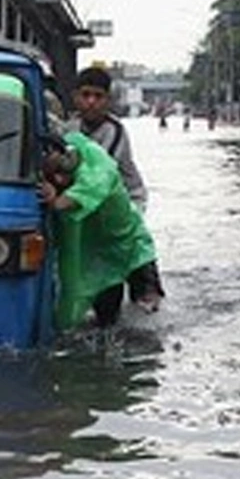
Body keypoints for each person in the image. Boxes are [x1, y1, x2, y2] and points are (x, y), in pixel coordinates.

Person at [40, 132, 161, 329]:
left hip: (131, 245)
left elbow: (88, 189)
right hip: (98, 257)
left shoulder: (96, 164)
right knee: (106, 324)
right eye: (52, 176)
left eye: (59, 171)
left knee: (147, 312)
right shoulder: (71, 141)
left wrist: (54, 201)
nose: (59, 179)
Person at [68, 65, 163, 310]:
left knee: (130, 242)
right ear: (75, 97)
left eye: (98, 97)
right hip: (90, 202)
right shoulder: (68, 129)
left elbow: (100, 175)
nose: (91, 102)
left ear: (108, 101)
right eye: (86, 95)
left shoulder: (115, 131)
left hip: (126, 198)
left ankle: (147, 293)